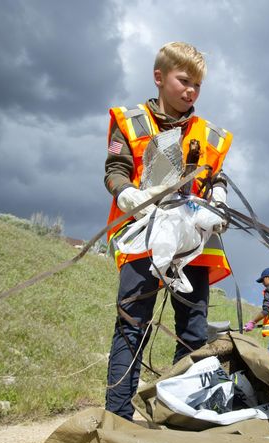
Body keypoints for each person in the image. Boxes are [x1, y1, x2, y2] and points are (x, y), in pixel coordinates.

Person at [102, 42, 234, 421]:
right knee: (132, 327)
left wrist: (219, 194)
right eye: (183, 81)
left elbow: (215, 175)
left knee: (194, 331)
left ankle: (180, 415)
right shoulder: (130, 122)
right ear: (159, 78)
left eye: (197, 85)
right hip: (143, 236)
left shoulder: (208, 134)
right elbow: (114, 169)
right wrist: (126, 193)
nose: (190, 90)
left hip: (194, 243)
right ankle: (117, 418)